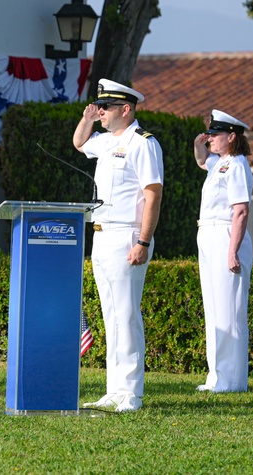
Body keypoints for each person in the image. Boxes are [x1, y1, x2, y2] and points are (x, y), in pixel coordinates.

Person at [74, 79, 164, 413]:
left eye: (106, 108)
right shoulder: (107, 141)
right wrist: (87, 118)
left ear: (125, 110)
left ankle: (131, 393)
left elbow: (153, 194)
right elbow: (79, 143)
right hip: (102, 234)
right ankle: (115, 388)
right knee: (110, 315)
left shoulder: (143, 143)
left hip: (128, 235)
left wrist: (143, 240)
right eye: (99, 107)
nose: (101, 113)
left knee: (126, 315)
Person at [193, 109, 253, 393]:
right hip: (208, 233)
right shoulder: (220, 163)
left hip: (226, 235)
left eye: (214, 135)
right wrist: (198, 143)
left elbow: (241, 211)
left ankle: (233, 381)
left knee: (230, 312)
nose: (210, 140)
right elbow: (202, 161)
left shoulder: (238, 164)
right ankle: (217, 377)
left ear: (231, 137)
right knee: (214, 310)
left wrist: (233, 252)